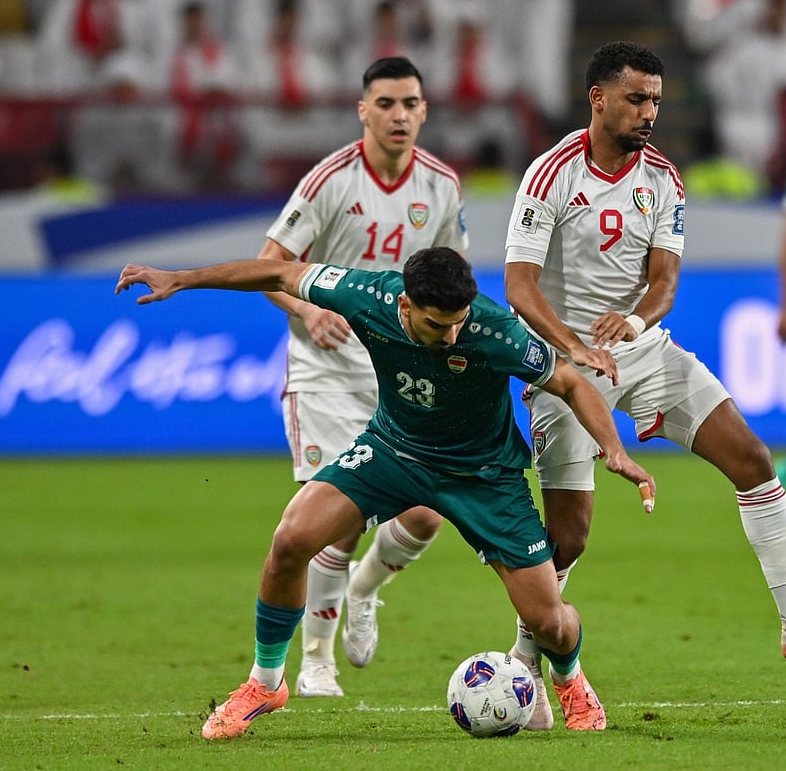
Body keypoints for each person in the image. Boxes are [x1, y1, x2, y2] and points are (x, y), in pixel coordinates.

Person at [116, 248, 655, 737]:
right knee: (290, 540)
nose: (451, 336)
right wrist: (181, 278)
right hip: (393, 451)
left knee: (548, 622)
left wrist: (615, 449)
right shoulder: (365, 294)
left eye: (458, 322)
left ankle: (569, 676)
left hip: (483, 475)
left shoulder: (494, 330)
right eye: (437, 324)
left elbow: (570, 382)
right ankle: (265, 682)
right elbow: (279, 272)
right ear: (405, 304)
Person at [503, 40, 786, 731]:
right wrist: (576, 346)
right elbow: (519, 287)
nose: (649, 111)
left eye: (655, 99)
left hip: (642, 351)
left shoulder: (663, 178)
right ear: (598, 99)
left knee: (753, 459)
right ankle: (525, 663)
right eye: (636, 99)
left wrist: (632, 322)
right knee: (569, 537)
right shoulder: (551, 173)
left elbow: (665, 282)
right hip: (565, 368)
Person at [254, 56, 468, 698]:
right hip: (327, 371)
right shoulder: (330, 181)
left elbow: (454, 282)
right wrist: (308, 311)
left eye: (410, 103)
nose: (399, 115)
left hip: (401, 375)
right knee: (336, 519)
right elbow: (270, 266)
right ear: (363, 111)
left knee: (426, 516)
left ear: (424, 110)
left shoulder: (441, 185)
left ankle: (365, 589)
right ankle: (316, 662)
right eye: (386, 104)